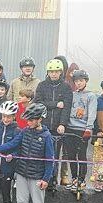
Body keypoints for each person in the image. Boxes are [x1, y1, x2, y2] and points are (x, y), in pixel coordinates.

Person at [34, 59, 73, 190]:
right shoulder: (42, 85)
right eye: (51, 71)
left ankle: (52, 180)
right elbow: (38, 103)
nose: (54, 74)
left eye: (56, 71)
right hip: (43, 125)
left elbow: (66, 107)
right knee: (40, 153)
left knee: (54, 155)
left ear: (61, 72)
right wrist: (55, 104)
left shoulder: (66, 87)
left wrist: (62, 124)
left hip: (57, 127)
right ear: (48, 72)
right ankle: (41, 177)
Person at [64, 69, 97, 192]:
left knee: (81, 155)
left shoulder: (91, 96)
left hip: (82, 129)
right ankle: (74, 178)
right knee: (71, 155)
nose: (78, 83)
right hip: (70, 128)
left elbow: (92, 114)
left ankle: (82, 179)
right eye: (76, 81)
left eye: (81, 81)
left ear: (86, 81)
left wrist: (89, 129)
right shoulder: (72, 94)